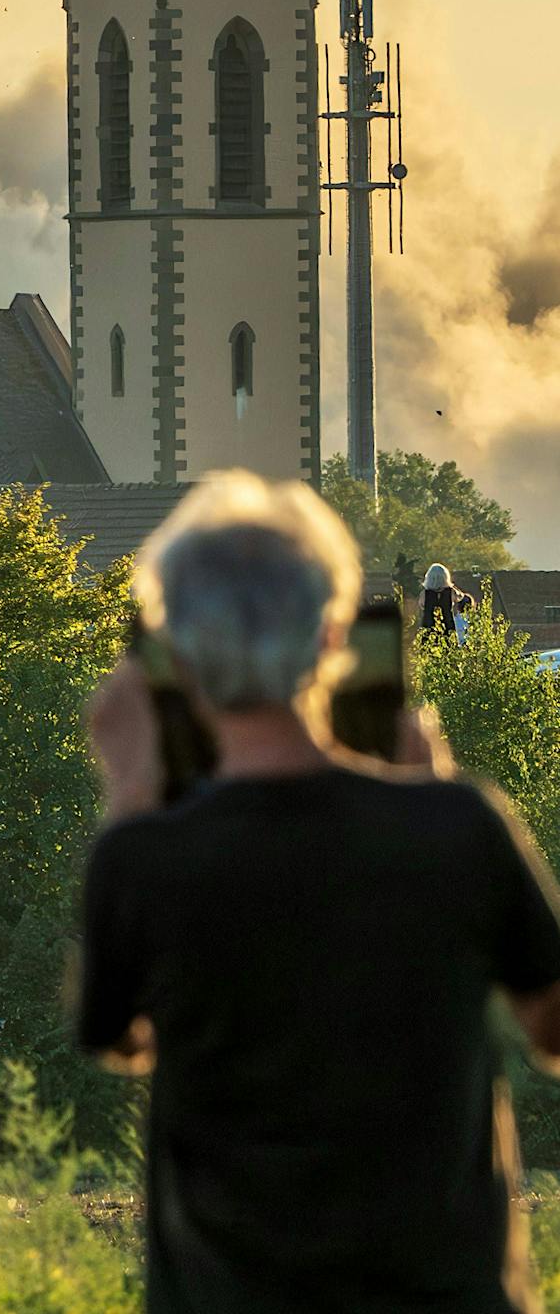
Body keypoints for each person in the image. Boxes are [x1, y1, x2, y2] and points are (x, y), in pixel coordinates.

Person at [80, 473, 560, 1314]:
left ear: (178, 657)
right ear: (333, 634)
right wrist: (431, 807)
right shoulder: (456, 827)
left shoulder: (146, 859)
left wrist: (131, 794)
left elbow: (122, 1037)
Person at [422, 561, 478, 639]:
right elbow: (461, 597)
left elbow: (421, 605)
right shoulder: (451, 591)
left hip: (428, 624)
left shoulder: (424, 593)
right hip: (447, 623)